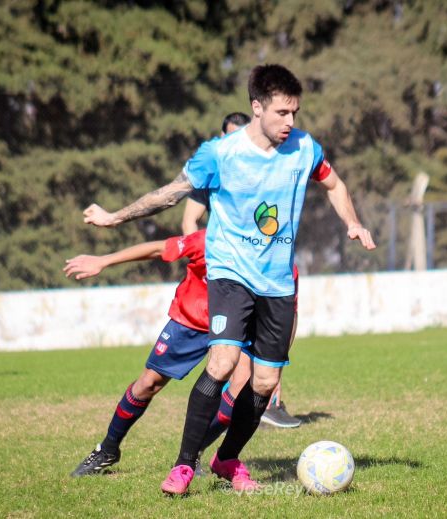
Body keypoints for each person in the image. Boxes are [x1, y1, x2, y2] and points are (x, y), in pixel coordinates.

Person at [83, 64, 376, 495]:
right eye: (281, 113)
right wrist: (115, 217)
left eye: (295, 112)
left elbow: (334, 185)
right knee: (219, 364)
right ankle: (184, 466)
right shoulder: (220, 154)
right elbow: (169, 192)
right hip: (230, 274)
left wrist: (351, 221)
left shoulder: (305, 148)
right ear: (256, 108)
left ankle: (225, 459)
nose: (290, 122)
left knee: (263, 382)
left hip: (277, 284)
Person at [66, 229, 298, 477]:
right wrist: (104, 260)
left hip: (240, 328)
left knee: (240, 388)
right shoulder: (211, 239)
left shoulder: (277, 256)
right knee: (148, 384)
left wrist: (276, 365)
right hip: (192, 322)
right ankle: (108, 449)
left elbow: (290, 311)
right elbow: (158, 249)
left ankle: (193, 454)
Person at [182, 111, 301, 429]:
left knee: (264, 355)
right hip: (227, 274)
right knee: (224, 362)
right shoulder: (213, 171)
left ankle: (270, 400)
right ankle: (200, 445)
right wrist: (203, 257)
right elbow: (189, 222)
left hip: (267, 272)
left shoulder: (268, 167)